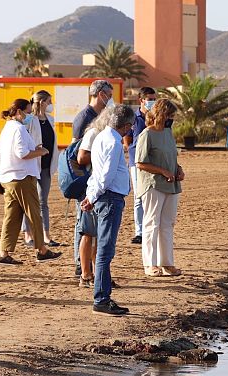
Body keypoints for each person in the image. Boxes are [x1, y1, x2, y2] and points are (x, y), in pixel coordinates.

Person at [81, 104, 135, 315]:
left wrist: (91, 195)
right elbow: (106, 175)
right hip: (110, 198)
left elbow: (97, 173)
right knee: (105, 251)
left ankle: (102, 297)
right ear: (127, 125)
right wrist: (93, 196)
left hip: (104, 196)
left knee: (103, 250)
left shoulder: (102, 136)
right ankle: (101, 299)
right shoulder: (113, 141)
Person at [0, 99, 61, 265]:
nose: (30, 115)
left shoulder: (8, 128)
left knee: (12, 216)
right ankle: (42, 250)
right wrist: (40, 151)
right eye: (28, 112)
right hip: (21, 177)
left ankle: (4, 253)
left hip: (10, 177)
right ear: (19, 111)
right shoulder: (17, 129)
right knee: (34, 214)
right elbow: (22, 153)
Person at [136, 99, 184, 277]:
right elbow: (140, 163)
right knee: (151, 223)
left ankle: (167, 263)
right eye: (170, 115)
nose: (172, 119)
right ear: (162, 114)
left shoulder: (168, 133)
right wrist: (163, 171)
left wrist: (178, 170)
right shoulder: (147, 134)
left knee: (167, 224)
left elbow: (172, 156)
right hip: (153, 184)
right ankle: (150, 264)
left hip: (171, 185)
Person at [72, 80, 114, 277]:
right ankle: (82, 267)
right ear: (100, 94)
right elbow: (78, 155)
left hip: (97, 181)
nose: (110, 99)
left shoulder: (100, 117)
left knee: (95, 231)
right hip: (86, 181)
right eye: (109, 94)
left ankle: (93, 269)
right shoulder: (84, 118)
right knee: (85, 229)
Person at [22, 90, 60, 247]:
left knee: (43, 201)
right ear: (42, 102)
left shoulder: (50, 120)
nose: (51, 105)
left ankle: (46, 235)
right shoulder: (29, 120)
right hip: (31, 165)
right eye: (49, 101)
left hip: (46, 166)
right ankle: (27, 234)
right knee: (30, 200)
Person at [123, 86, 157, 245]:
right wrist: (129, 149)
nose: (152, 102)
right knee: (138, 197)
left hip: (153, 162)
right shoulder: (133, 118)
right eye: (149, 99)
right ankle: (140, 232)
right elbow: (127, 137)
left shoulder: (156, 117)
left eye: (154, 99)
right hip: (136, 162)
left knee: (151, 196)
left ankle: (151, 229)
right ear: (141, 100)